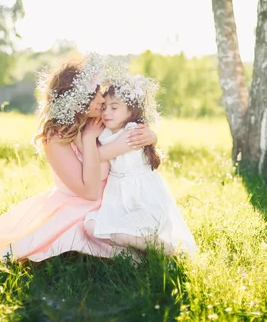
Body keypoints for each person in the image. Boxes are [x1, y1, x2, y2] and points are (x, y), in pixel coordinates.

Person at [0, 54, 158, 262]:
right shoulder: (56, 138)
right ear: (78, 101)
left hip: (115, 198)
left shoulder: (97, 119)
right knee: (93, 239)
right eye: (95, 94)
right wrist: (87, 139)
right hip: (80, 207)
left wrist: (151, 137)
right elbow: (90, 192)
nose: (103, 99)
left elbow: (129, 132)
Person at [84, 72, 198, 256]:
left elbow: (98, 154)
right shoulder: (105, 130)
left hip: (141, 196)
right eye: (104, 107)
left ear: (131, 111)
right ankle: (136, 258)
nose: (106, 112)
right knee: (92, 226)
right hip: (118, 196)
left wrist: (88, 137)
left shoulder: (132, 132)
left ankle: (172, 252)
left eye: (114, 107)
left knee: (124, 234)